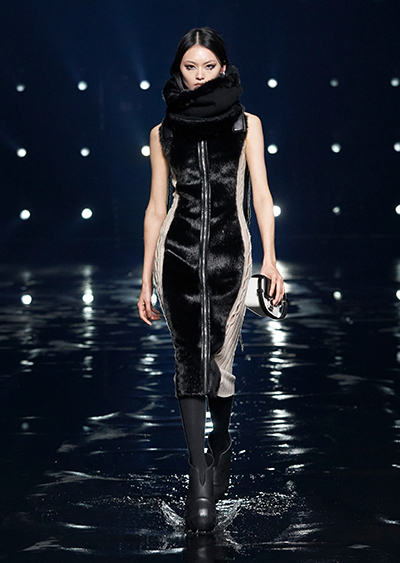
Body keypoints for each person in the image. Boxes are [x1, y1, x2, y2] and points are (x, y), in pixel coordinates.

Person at [138, 27, 285, 532]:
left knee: (219, 363)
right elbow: (155, 208)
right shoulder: (163, 132)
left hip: (231, 254)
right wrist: (144, 279)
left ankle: (220, 438)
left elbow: (261, 194)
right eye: (190, 67)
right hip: (175, 254)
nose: (199, 76)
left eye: (208, 66)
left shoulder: (246, 124)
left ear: (223, 68)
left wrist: (271, 259)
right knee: (188, 359)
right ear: (178, 70)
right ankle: (198, 474)